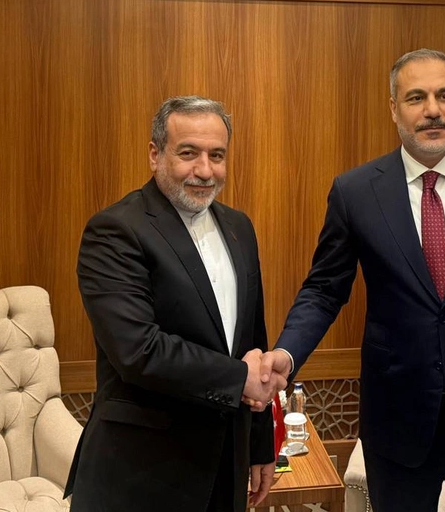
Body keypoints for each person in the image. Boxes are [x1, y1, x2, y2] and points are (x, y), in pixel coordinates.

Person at [261, 49, 445, 511]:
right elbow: (324, 290)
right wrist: (287, 352)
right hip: (396, 416)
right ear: (394, 108)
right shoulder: (356, 191)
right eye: (416, 97)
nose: (432, 110)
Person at [64, 96, 283, 512]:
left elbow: (253, 342)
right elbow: (137, 350)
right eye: (188, 153)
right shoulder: (115, 231)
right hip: (142, 475)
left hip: (226, 467)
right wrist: (239, 377)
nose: (205, 170)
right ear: (155, 155)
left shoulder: (239, 227)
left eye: (216, 155)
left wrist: (260, 444)